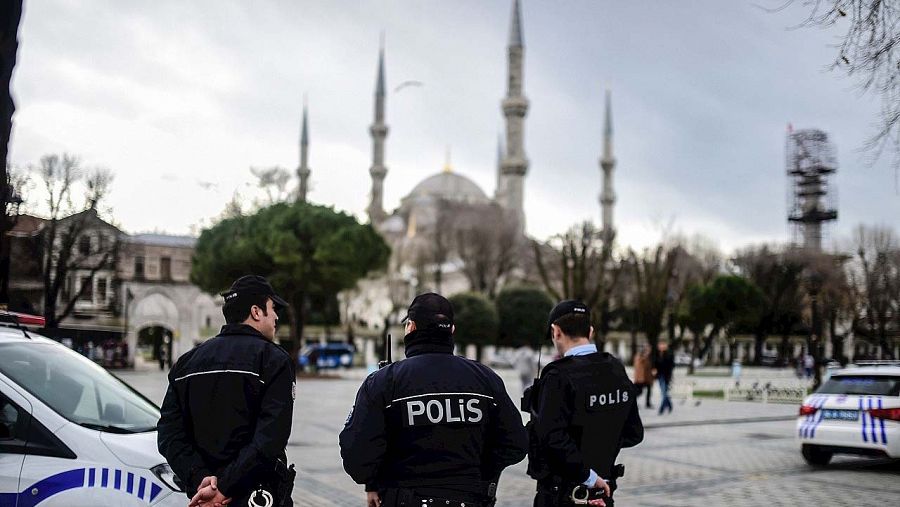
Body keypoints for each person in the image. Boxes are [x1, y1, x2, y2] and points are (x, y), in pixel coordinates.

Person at [340, 292, 527, 507]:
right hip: (469, 498)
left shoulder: (384, 381)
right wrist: (478, 471)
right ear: (452, 330)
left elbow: (357, 459)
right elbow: (516, 444)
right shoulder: (485, 378)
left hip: (403, 499)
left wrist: (383, 475)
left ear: (410, 327)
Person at [157, 275, 296, 507]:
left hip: (204, 497)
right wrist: (223, 487)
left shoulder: (186, 363)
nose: (276, 316)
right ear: (256, 312)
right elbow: (270, 438)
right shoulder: (273, 360)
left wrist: (200, 479)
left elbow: (169, 435)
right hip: (257, 496)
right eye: (273, 308)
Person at [524, 300, 643, 507]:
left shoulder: (558, 375)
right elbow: (634, 433)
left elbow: (550, 436)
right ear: (590, 331)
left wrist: (587, 475)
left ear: (556, 332)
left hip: (564, 494)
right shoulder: (615, 368)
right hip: (603, 492)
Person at [654, 342, 674, 415]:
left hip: (666, 376)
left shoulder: (669, 354)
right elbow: (655, 364)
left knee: (663, 393)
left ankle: (661, 409)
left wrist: (669, 375)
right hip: (660, 375)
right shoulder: (657, 354)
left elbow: (671, 365)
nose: (661, 346)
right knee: (664, 392)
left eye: (663, 345)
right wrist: (654, 369)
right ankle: (669, 405)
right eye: (660, 345)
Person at [631, 345, 653, 409]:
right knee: (639, 392)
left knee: (648, 390)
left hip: (646, 378)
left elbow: (648, 368)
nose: (649, 351)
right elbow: (639, 366)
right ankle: (631, 402)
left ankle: (648, 403)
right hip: (640, 378)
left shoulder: (647, 357)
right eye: (648, 349)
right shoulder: (639, 356)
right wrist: (645, 356)